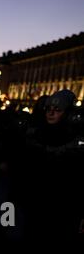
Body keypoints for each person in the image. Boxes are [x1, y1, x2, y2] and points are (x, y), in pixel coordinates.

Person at [19, 89, 84, 236]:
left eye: (57, 110)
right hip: (37, 205)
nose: (51, 113)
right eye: (48, 109)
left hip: (64, 208)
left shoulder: (76, 139)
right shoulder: (37, 133)